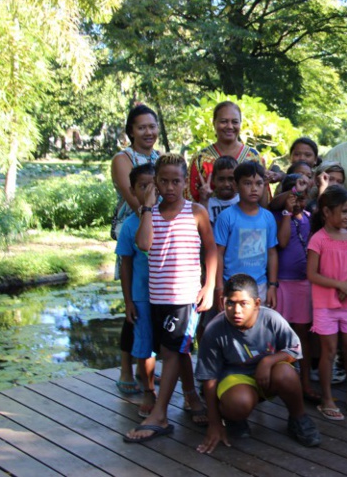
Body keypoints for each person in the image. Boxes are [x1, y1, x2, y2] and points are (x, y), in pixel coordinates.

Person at [124, 154, 217, 443]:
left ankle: (160, 414)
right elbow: (143, 244)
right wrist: (147, 207)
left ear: (184, 182)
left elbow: (211, 249)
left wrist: (210, 285)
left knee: (172, 351)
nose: (169, 187)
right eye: (163, 181)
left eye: (176, 181)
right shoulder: (149, 214)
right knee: (175, 348)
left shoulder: (196, 212)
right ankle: (191, 397)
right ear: (155, 183)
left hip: (184, 296)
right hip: (157, 297)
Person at [195, 274, 321, 452]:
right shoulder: (214, 329)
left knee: (286, 373)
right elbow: (209, 378)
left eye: (243, 303)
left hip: (269, 376)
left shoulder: (272, 319)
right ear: (222, 301)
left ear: (256, 303)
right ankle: (233, 418)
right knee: (239, 402)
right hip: (235, 379)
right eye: (230, 303)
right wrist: (214, 423)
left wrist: (269, 361)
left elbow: (295, 350)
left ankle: (299, 418)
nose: (236, 310)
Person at [110, 104, 161, 396]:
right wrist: (150, 214)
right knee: (134, 304)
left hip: (158, 234)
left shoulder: (160, 158)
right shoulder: (123, 158)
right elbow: (135, 199)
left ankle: (147, 365)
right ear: (131, 131)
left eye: (152, 126)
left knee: (152, 302)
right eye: (142, 127)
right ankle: (125, 368)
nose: (148, 132)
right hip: (133, 231)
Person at [307, 185, 347, 420]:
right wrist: (339, 285)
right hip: (325, 306)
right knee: (329, 352)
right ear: (327, 212)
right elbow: (312, 274)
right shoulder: (318, 239)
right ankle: (327, 398)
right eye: (344, 211)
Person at [272, 173, 320, 402]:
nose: (298, 202)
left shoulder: (309, 217)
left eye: (301, 198)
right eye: (293, 197)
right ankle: (279, 381)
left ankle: (305, 382)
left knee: (302, 335)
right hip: (283, 284)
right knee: (280, 335)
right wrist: (286, 212)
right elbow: (282, 242)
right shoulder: (277, 216)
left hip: (303, 285)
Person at [115, 163, 157, 418]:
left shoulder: (170, 218)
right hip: (142, 296)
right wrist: (129, 300)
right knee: (144, 345)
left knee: (175, 345)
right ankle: (149, 391)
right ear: (132, 190)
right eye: (143, 186)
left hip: (169, 294)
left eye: (154, 186)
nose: (150, 192)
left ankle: (188, 393)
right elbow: (126, 265)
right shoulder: (130, 226)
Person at [214, 161, 278, 309]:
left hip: (259, 285)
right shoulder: (226, 217)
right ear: (236, 186)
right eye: (247, 183)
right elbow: (218, 254)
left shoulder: (268, 217)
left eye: (259, 183)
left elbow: (272, 253)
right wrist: (219, 287)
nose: (254, 188)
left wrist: (272, 285)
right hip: (231, 284)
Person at [186, 101, 268, 204]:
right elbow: (190, 200)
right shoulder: (200, 159)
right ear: (214, 123)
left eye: (235, 122)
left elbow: (264, 199)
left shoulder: (254, 157)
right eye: (224, 121)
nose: (229, 126)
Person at [200, 156, 239, 225]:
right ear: (213, 180)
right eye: (221, 179)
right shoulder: (208, 203)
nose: (226, 184)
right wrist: (204, 201)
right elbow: (203, 226)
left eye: (231, 179)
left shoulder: (244, 201)